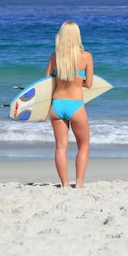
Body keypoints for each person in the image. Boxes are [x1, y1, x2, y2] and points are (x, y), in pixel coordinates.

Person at [44, 21, 94, 188]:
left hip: (56, 106)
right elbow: (89, 85)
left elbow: (45, 85)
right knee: (84, 145)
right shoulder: (86, 56)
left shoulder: (54, 57)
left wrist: (41, 112)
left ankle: (65, 183)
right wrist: (79, 79)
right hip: (76, 106)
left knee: (60, 147)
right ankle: (79, 183)